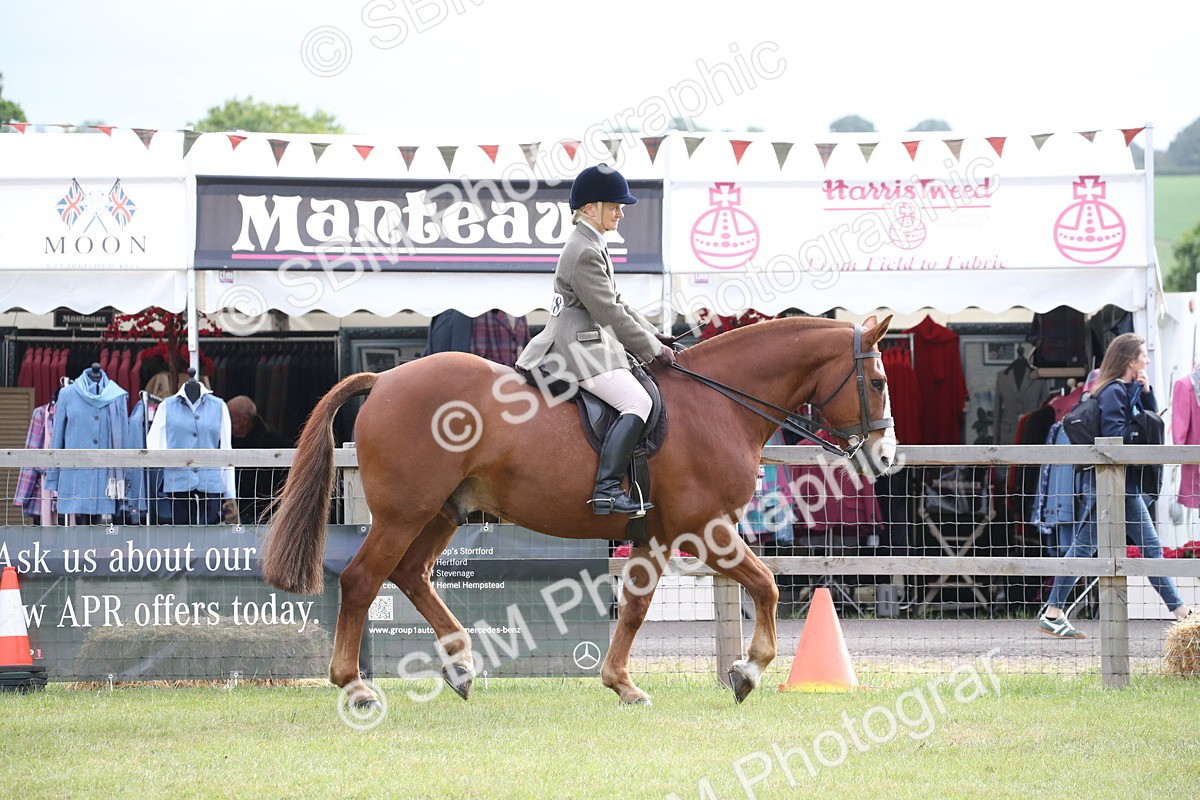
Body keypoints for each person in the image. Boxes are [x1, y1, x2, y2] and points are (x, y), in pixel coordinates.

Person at [515, 164, 676, 516]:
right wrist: (651, 350)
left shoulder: (590, 243)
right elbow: (609, 314)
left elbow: (617, 303)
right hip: (576, 349)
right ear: (590, 209)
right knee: (638, 402)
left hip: (588, 342)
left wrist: (653, 334)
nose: (620, 213)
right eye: (614, 206)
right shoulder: (584, 251)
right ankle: (607, 490)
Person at [1038, 333, 1193, 638]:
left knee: (1103, 549)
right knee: (1114, 550)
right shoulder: (1114, 391)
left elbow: (1149, 422)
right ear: (1130, 360)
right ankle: (1182, 613)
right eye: (1143, 355)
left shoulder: (1123, 390)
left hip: (1120, 486)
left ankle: (1053, 613)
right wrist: (1136, 398)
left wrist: (1145, 394)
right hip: (1113, 486)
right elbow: (1115, 437)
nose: (1147, 360)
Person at [228, 395, 288, 523]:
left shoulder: (270, 440)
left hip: (262, 512)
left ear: (244, 419)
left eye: (230, 417)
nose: (227, 421)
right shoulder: (225, 440)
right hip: (233, 509)